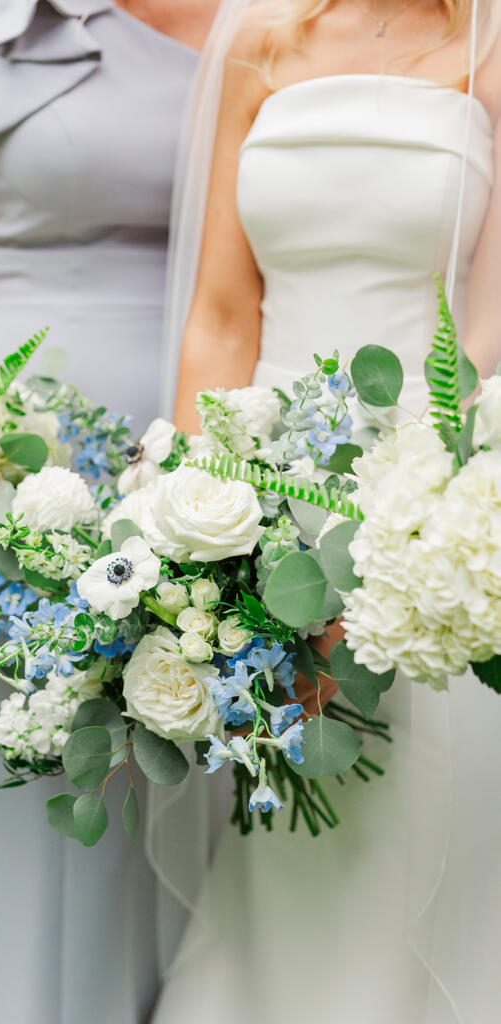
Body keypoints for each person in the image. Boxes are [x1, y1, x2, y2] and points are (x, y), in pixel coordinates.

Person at [153, 0, 501, 1021]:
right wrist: (192, 534)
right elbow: (219, 319)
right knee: (296, 841)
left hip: (433, 508)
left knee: (425, 827)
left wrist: (400, 529)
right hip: (262, 514)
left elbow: (488, 328)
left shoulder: (489, 42)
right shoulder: (256, 44)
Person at [0, 2, 222, 1021]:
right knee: (44, 797)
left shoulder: (271, 16)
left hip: (207, 469)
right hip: (23, 488)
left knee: (193, 772)